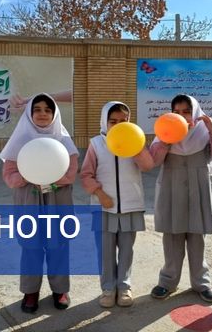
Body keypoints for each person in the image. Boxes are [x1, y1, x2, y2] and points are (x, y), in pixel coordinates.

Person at [0, 93, 78, 314]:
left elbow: (70, 174)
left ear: (54, 114)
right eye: (37, 109)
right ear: (29, 113)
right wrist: (27, 176)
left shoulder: (63, 140)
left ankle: (60, 290)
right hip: (29, 201)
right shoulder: (20, 140)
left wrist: (48, 182)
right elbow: (9, 175)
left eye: (48, 110)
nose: (43, 114)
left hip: (57, 201)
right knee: (31, 247)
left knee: (59, 246)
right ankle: (30, 291)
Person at [149, 94, 212, 303]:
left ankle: (201, 283)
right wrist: (166, 141)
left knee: (197, 237)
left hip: (199, 187)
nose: (182, 116)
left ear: (195, 112)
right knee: (172, 237)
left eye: (186, 111)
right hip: (171, 188)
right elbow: (153, 160)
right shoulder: (164, 133)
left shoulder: (205, 133)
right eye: (177, 112)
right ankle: (167, 282)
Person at [80, 101, 154, 308]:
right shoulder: (96, 144)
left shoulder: (136, 141)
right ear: (105, 121)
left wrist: (136, 147)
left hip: (130, 206)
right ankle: (108, 288)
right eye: (113, 121)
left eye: (124, 121)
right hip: (103, 207)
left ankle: (124, 287)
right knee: (105, 251)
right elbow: (86, 175)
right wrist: (99, 193)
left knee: (127, 250)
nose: (119, 125)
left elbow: (148, 166)